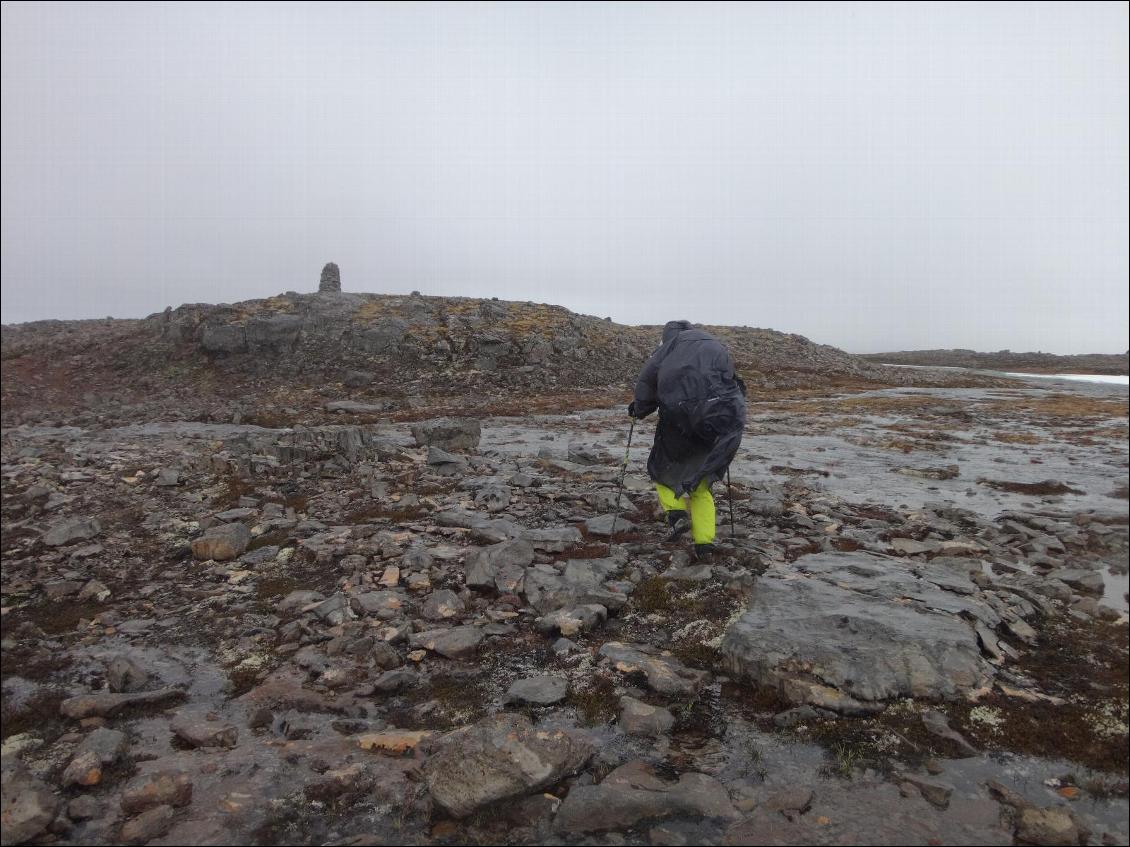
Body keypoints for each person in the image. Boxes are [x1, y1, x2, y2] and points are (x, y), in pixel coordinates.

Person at [628, 320, 746, 558]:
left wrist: (639, 409)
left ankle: (677, 515)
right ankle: (704, 546)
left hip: (678, 419)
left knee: (661, 468)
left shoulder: (667, 348)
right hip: (716, 420)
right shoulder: (715, 345)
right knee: (701, 486)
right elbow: (734, 383)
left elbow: (648, 381)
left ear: (667, 335)